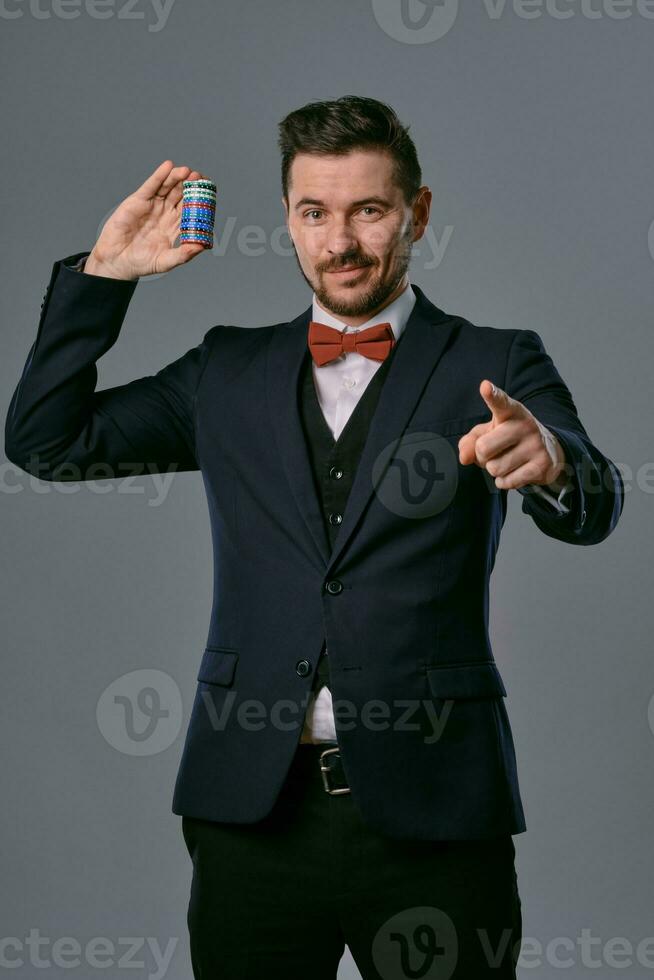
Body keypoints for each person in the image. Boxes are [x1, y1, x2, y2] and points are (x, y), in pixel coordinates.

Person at [4, 95, 623, 979]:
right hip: (251, 815)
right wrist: (104, 278)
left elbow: (599, 506)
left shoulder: (498, 359)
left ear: (417, 213)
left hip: (438, 811)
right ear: (288, 221)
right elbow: (44, 443)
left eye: (369, 210)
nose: (339, 243)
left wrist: (554, 461)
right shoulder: (225, 370)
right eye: (314, 213)